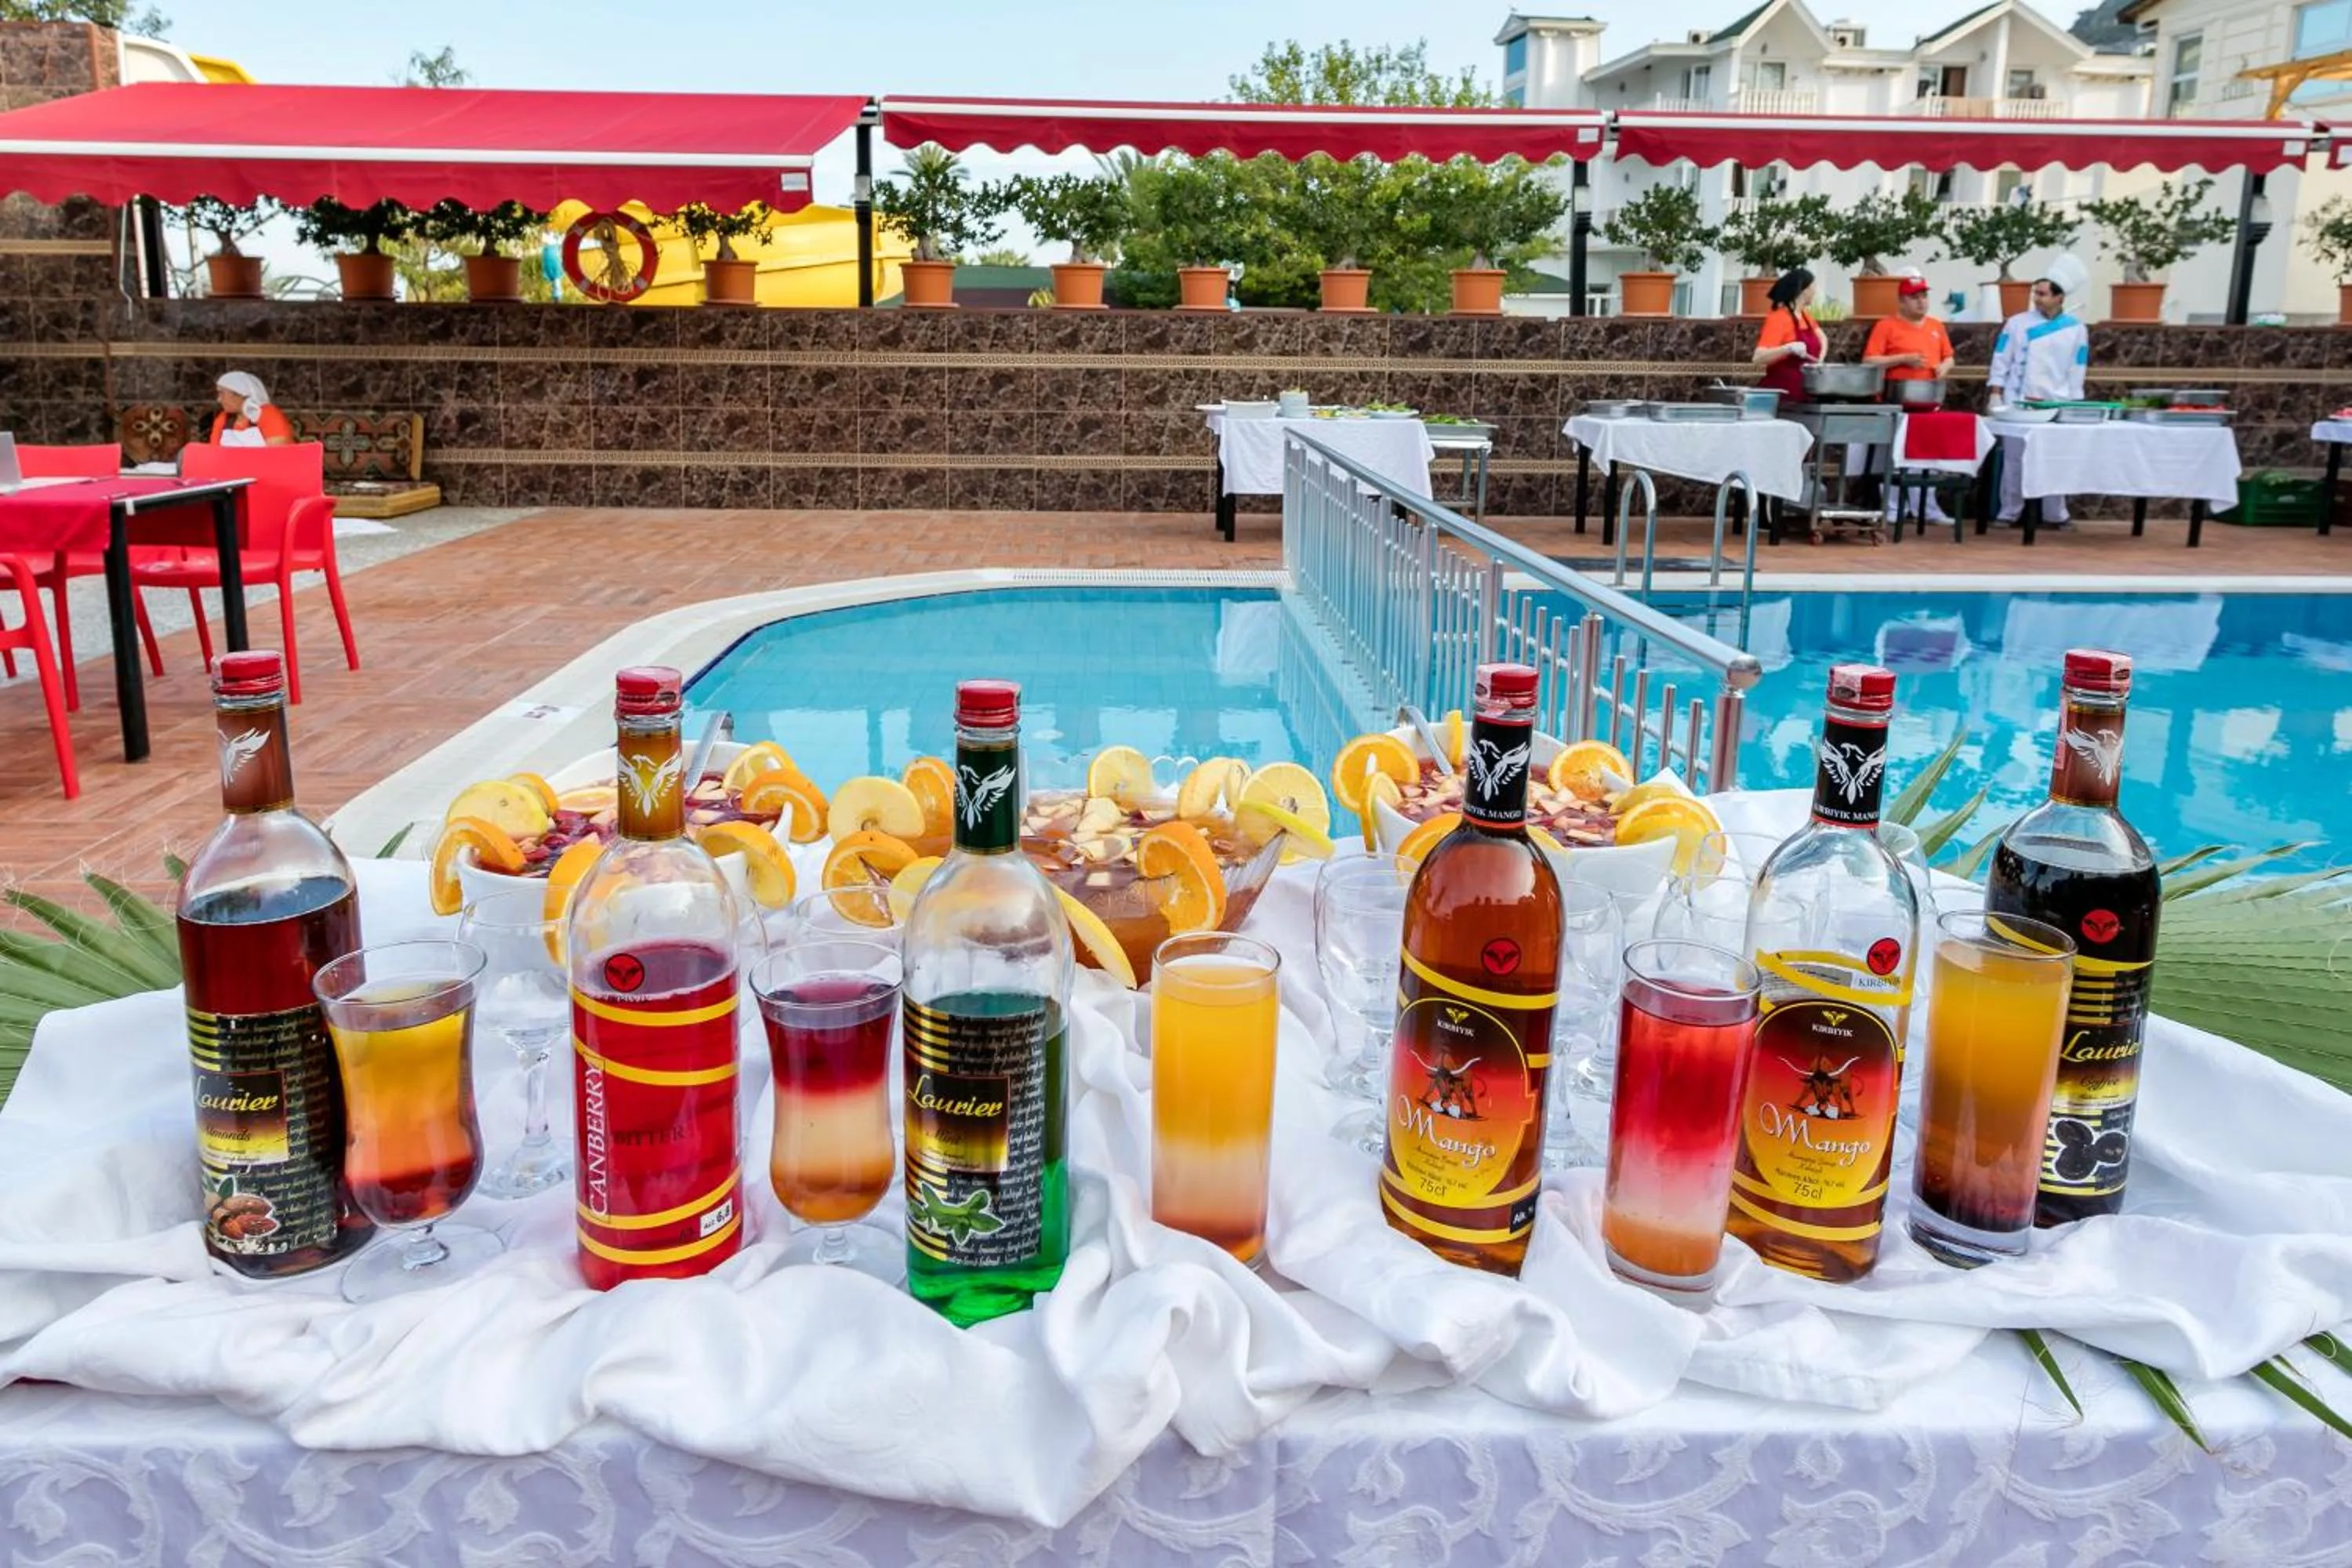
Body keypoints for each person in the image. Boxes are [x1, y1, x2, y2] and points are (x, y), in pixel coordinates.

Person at [1987, 253, 2091, 526]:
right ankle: (2009, 512)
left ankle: (2055, 514)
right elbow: (2002, 358)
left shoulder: (2076, 329)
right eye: (2036, 293)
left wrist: (2073, 402)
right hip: (2018, 401)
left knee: (2055, 459)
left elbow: (2076, 367)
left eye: (2043, 294)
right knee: (2014, 460)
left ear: (2059, 297)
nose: (2037, 298)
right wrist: (1995, 392)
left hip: (2055, 402)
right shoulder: (2017, 323)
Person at [1864, 272, 1958, 523]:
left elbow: (1949, 356)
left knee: (1927, 457)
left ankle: (1927, 508)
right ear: (1902, 301)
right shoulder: (1886, 326)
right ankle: (1893, 508)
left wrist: (1945, 367)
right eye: (1914, 298)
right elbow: (1870, 360)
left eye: (1924, 297)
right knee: (1895, 457)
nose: (1921, 302)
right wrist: (1903, 359)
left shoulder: (1936, 326)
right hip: (1895, 400)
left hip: (1929, 402)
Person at [1751, 267, 1822, 401]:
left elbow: (1822, 338)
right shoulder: (1779, 318)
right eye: (1814, 287)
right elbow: (1758, 358)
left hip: (1804, 393)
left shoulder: (1806, 316)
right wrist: (1787, 349)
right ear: (1804, 291)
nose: (1815, 292)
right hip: (1782, 397)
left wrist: (1820, 362)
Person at [207, 372, 293, 448]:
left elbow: (277, 454)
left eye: (222, 394)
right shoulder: (223, 419)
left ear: (241, 394)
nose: (219, 399)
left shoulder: (268, 415)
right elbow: (215, 453)